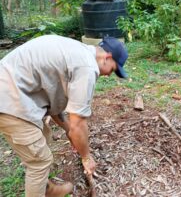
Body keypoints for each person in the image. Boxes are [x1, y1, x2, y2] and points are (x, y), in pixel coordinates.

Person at [0, 35, 128, 196]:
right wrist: (86, 157)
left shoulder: (76, 51)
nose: (110, 75)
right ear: (107, 58)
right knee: (39, 162)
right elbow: (78, 124)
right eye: (113, 69)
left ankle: (45, 188)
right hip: (9, 98)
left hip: (14, 89)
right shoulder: (87, 67)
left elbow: (53, 98)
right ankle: (41, 188)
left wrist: (68, 130)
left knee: (44, 135)